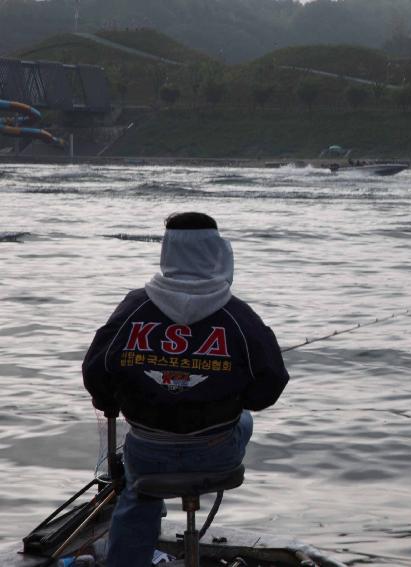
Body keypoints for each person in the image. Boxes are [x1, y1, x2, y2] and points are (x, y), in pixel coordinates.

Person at [82, 212, 289, 567]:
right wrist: (235, 397)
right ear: (216, 251)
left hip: (147, 454)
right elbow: (270, 384)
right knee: (245, 418)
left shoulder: (134, 308)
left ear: (167, 250)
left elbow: (95, 371)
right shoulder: (238, 316)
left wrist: (118, 400)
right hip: (217, 452)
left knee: (136, 487)